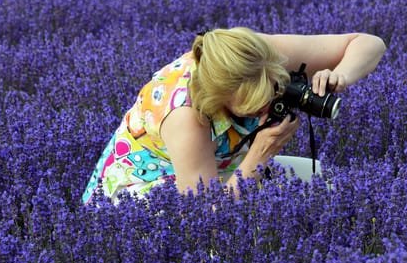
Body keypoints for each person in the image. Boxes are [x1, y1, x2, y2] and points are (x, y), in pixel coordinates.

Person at [81, 27, 386, 206]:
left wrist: (341, 74)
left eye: (275, 89)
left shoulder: (256, 57)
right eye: (252, 108)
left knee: (325, 183)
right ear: (219, 97)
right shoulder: (185, 116)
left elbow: (367, 43)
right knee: (228, 241)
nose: (265, 110)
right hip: (146, 193)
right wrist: (260, 154)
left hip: (224, 169)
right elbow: (206, 217)